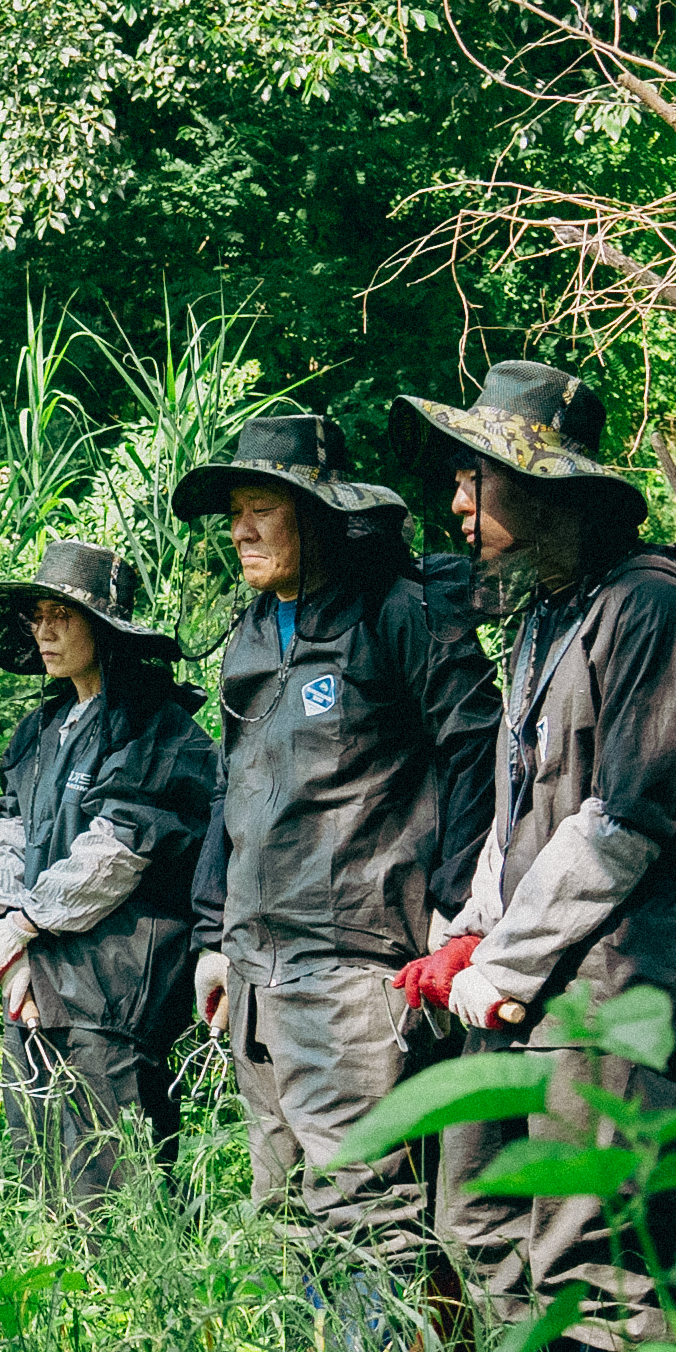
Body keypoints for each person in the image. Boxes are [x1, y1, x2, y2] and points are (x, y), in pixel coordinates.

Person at [389, 364, 676, 1352]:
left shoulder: (651, 613)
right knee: (476, 1216)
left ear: (541, 489)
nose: (455, 501)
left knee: (599, 1255)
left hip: (612, 995)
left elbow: (622, 821)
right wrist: (468, 931)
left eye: (475, 478)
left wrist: (503, 965)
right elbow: (519, 807)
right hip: (530, 989)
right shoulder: (544, 617)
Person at [173, 415, 499, 1267]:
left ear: (318, 513)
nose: (240, 530)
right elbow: (232, 787)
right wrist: (213, 934)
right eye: (234, 511)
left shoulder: (399, 612)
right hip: (254, 967)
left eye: (261, 510)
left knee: (367, 1208)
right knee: (282, 1211)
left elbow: (475, 751)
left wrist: (461, 910)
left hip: (354, 962)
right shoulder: (250, 631)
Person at [0, 542, 217, 1199]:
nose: (44, 631)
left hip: (115, 984)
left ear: (103, 629)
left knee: (114, 1181)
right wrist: (7, 929)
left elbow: (115, 854)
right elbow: (9, 827)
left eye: (62, 616)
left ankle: (137, 1301)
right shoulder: (42, 726)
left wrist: (22, 924)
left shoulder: (160, 733)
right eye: (38, 617)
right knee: (34, 1166)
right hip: (40, 977)